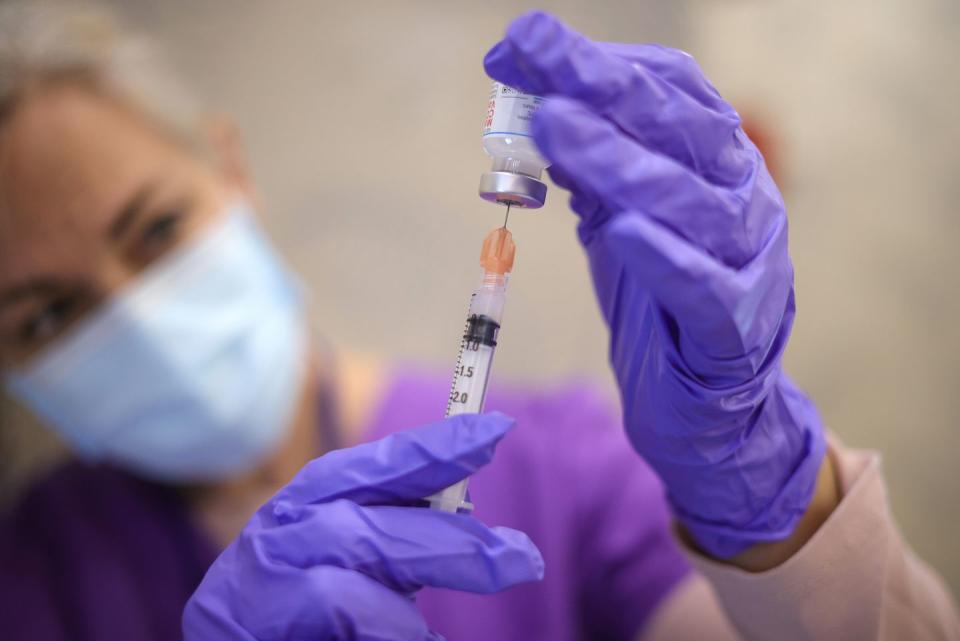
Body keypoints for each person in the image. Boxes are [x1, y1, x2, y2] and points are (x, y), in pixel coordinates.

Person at [0, 3, 955, 640]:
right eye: (44, 314)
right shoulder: (34, 577)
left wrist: (770, 508)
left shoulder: (568, 466)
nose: (140, 317)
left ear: (230, 169)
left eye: (159, 228)